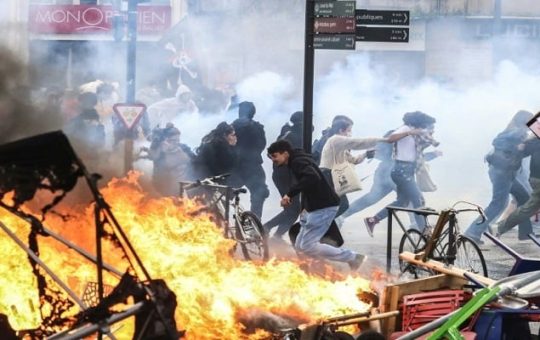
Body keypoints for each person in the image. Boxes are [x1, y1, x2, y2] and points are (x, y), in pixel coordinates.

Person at [267, 139, 366, 270]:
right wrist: (305, 208)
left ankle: (353, 258)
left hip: (324, 206)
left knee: (308, 245)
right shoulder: (296, 160)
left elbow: (312, 177)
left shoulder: (297, 161)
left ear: (285, 153)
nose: (273, 160)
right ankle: (311, 270)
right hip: (313, 207)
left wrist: (289, 194)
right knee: (299, 246)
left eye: (274, 156)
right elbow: (308, 184)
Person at [464, 110, 534, 244]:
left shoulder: (513, 132)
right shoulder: (516, 132)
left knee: (523, 198)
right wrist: (524, 140)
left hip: (505, 172)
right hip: (502, 172)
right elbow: (504, 141)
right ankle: (472, 232)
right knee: (498, 203)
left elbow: (513, 148)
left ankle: (525, 233)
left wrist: (522, 145)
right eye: (530, 121)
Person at [363, 111, 436, 237]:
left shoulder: (415, 133)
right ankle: (425, 232)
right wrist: (409, 132)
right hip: (402, 171)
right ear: (419, 124)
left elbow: (415, 153)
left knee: (402, 202)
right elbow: (390, 139)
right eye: (426, 125)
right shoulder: (406, 129)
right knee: (418, 200)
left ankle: (373, 220)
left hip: (405, 171)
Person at [319, 115, 386, 218]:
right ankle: (321, 224)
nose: (350, 133)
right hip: (328, 178)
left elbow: (353, 160)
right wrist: (384, 140)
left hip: (332, 179)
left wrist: (366, 154)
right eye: (349, 130)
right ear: (341, 130)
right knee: (341, 205)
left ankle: (323, 224)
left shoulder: (341, 143)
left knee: (338, 206)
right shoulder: (335, 140)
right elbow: (358, 142)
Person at [264, 111, 303, 240]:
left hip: (283, 175)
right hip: (286, 177)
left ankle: (272, 232)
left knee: (292, 210)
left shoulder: (287, 132)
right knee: (293, 210)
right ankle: (272, 232)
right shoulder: (294, 136)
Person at [497, 134, 540, 238]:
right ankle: (501, 227)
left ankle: (501, 227)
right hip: (538, 179)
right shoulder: (535, 141)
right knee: (528, 208)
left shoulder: (534, 140)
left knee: (529, 208)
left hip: (535, 178)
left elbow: (524, 151)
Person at [230, 101, 269, 218]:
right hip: (253, 166)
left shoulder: (231, 127)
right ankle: (254, 225)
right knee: (259, 195)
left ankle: (219, 222)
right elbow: (262, 144)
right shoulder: (257, 127)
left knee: (225, 196)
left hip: (236, 167)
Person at [140, 123, 196, 196]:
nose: (176, 143)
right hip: (165, 190)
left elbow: (194, 160)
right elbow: (155, 159)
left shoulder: (183, 148)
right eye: (173, 140)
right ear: (166, 140)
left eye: (178, 140)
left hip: (185, 187)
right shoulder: (160, 151)